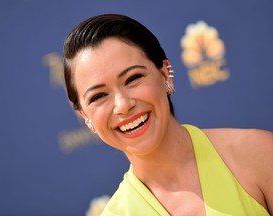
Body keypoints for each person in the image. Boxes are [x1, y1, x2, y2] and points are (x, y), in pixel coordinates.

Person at [63, 14, 273, 216]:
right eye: (98, 96)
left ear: (165, 75)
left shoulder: (257, 153)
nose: (122, 105)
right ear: (85, 116)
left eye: (133, 78)